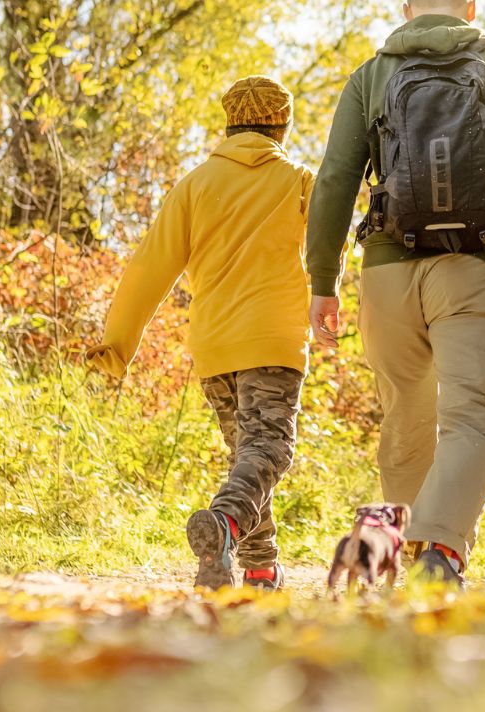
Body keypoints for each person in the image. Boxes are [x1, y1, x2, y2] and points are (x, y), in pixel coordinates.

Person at [307, 0, 485, 588]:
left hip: (388, 274)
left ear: (407, 12)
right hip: (478, 267)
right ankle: (439, 554)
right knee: (471, 417)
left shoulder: (372, 75)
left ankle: (384, 551)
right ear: (471, 9)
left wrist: (322, 281)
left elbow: (334, 182)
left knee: (406, 415)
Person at [90, 76, 314, 591]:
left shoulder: (194, 185)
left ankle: (258, 567)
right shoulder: (301, 180)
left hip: (214, 345)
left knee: (249, 457)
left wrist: (118, 346)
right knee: (270, 449)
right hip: (275, 339)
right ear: (283, 124)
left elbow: (149, 268)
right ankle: (225, 521)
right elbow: (330, 249)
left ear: (228, 123)